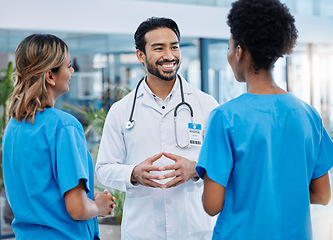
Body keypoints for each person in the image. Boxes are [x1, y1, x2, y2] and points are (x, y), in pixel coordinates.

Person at [195, 0, 333, 239]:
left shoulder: (225, 117)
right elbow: (322, 195)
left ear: (239, 52)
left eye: (229, 47)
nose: (229, 55)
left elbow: (212, 205)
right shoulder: (309, 115)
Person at [96, 17, 219, 239]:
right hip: (143, 231)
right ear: (140, 55)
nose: (169, 56)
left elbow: (224, 163)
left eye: (174, 47)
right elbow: (104, 168)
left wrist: (196, 168)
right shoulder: (121, 110)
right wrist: (133, 173)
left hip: (194, 229)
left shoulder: (206, 105)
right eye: (159, 48)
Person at [2, 34, 115, 240]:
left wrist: (89, 198)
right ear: (50, 76)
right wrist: (99, 206)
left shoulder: (13, 127)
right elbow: (78, 210)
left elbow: (40, 194)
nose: (72, 71)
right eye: (68, 66)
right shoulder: (64, 126)